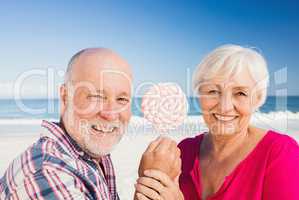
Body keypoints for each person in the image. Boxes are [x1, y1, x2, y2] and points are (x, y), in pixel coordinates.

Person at [0, 48, 181, 199]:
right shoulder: (49, 174)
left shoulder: (90, 156)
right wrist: (154, 183)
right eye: (96, 96)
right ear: (65, 98)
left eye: (121, 99)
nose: (110, 114)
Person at [135, 45, 299, 200]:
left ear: (257, 99)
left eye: (240, 93)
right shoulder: (183, 152)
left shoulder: (281, 154)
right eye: (213, 91)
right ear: (199, 96)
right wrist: (149, 181)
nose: (225, 106)